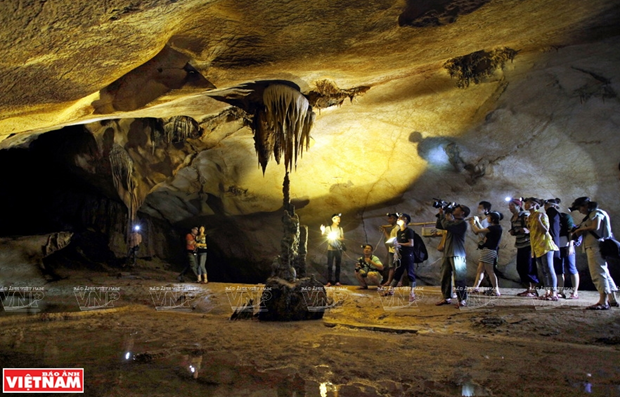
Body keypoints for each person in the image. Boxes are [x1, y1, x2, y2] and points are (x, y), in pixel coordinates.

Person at [572, 197, 619, 310]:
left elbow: (595, 226)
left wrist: (579, 230)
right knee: (604, 272)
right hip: (595, 246)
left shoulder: (596, 213)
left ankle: (602, 302)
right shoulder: (595, 214)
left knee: (597, 273)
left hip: (595, 247)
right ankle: (612, 299)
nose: (580, 211)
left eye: (580, 208)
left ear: (585, 206)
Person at [524, 197, 559, 301]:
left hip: (545, 245)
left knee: (549, 268)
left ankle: (554, 293)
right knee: (543, 270)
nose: (525, 205)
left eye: (528, 203)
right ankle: (547, 292)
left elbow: (545, 230)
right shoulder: (529, 217)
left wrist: (538, 220)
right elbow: (532, 231)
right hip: (536, 246)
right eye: (525, 203)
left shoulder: (541, 214)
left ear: (535, 204)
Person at [435, 204, 470, 308]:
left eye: (457, 208)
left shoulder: (462, 223)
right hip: (447, 252)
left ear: (463, 212)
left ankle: (462, 299)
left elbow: (446, 225)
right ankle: (446, 297)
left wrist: (445, 217)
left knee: (459, 278)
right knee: (444, 277)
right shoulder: (452, 221)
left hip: (457, 253)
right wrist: (441, 215)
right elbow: (440, 225)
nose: (455, 209)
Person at [549, 199, 580, 299]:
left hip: (566, 245)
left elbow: (571, 231)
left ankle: (574, 292)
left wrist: (571, 246)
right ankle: (560, 291)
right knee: (558, 269)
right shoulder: (550, 218)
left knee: (571, 268)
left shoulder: (565, 217)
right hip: (557, 246)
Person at [508, 198, 538, 297]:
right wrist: (513, 232)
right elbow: (514, 230)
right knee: (520, 267)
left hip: (528, 244)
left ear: (518, 206)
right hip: (520, 244)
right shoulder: (513, 218)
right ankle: (528, 288)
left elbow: (533, 228)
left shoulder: (525, 215)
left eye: (512, 205)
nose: (510, 207)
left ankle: (532, 289)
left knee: (529, 267)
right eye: (509, 205)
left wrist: (527, 231)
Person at [469, 211, 503, 296]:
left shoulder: (494, 228)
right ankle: (475, 287)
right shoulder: (494, 228)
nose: (487, 218)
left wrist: (473, 223)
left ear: (493, 219)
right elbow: (483, 231)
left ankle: (496, 290)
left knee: (490, 271)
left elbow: (477, 231)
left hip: (489, 251)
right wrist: (476, 222)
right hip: (487, 250)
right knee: (480, 270)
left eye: (489, 217)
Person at [384, 213, 417, 302]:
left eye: (400, 218)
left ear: (405, 220)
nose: (398, 219)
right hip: (400, 255)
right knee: (398, 272)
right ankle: (390, 290)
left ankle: (412, 293)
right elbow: (398, 243)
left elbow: (411, 244)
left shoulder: (408, 231)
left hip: (408, 255)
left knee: (410, 273)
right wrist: (395, 245)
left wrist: (399, 244)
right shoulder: (399, 231)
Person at [320, 213, 344, 287]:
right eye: (337, 218)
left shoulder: (340, 229)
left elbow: (342, 238)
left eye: (339, 218)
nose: (338, 220)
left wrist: (336, 237)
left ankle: (337, 281)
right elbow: (323, 235)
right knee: (329, 265)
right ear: (333, 219)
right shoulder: (328, 228)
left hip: (338, 249)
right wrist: (322, 230)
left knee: (338, 265)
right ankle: (329, 281)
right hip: (330, 249)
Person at [380, 213, 399, 286]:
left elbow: (392, 240)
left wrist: (384, 232)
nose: (389, 220)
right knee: (391, 266)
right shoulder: (393, 228)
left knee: (398, 266)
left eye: (391, 218)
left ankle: (399, 282)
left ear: (395, 219)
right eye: (389, 218)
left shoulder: (397, 228)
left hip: (396, 250)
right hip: (391, 250)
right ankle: (389, 281)